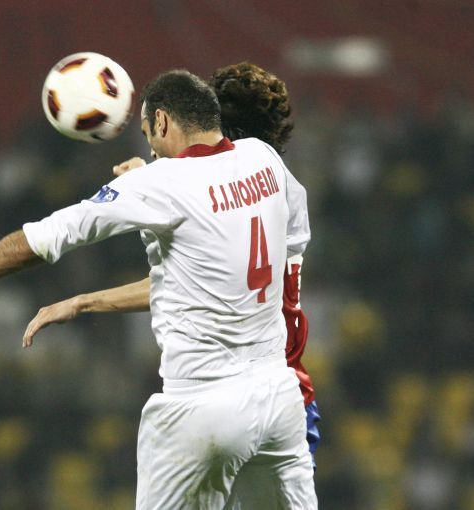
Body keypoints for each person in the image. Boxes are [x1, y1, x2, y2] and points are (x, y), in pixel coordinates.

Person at [0, 70, 317, 508]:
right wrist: (86, 300)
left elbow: (43, 239)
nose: (150, 148)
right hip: (277, 400)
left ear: (161, 121)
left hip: (201, 407)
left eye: (148, 134)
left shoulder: (158, 183)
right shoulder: (265, 161)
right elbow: (235, 261)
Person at [22, 62, 322, 472]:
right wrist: (84, 301)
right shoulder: (271, 182)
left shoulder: (250, 183)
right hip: (284, 399)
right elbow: (191, 271)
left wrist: (152, 183)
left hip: (253, 395)